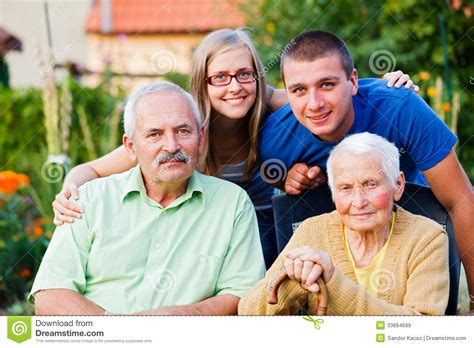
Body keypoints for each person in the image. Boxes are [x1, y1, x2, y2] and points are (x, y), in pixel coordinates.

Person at [50, 28, 417, 268]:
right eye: (220, 78)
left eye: (245, 74)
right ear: (202, 82)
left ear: (257, 76)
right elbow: (93, 169)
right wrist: (70, 188)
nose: (235, 87)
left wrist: (388, 85)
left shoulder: (274, 104)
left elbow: (332, 89)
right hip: (209, 235)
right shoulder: (183, 128)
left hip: (272, 232)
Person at [258, 30, 474, 312]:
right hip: (340, 254)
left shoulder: (401, 109)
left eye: (327, 84)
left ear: (354, 81)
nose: (314, 104)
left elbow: (461, 200)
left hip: (413, 246)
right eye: (299, 90)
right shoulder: (275, 139)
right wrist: (287, 178)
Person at [29, 82, 265, 315]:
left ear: (201, 138)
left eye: (183, 131)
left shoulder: (232, 204)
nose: (172, 146)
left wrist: (175, 319)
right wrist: (118, 334)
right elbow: (51, 295)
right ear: (130, 146)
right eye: (155, 134)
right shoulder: (89, 199)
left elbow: (241, 293)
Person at [239, 132, 449, 315]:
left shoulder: (427, 237)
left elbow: (421, 330)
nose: (358, 202)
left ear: (397, 185)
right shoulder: (312, 231)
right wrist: (294, 282)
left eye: (371, 184)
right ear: (333, 193)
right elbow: (248, 312)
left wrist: (333, 281)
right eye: (345, 188)